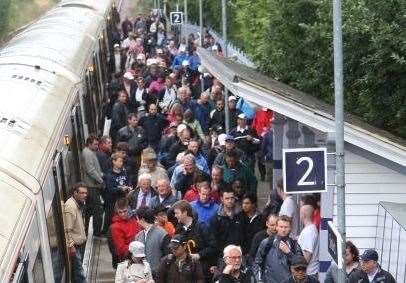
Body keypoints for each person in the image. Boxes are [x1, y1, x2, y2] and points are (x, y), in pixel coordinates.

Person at [172, 200, 217, 280]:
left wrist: (199, 255)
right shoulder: (178, 229)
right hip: (184, 271)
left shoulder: (202, 226)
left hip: (201, 270)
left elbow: (213, 247)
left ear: (185, 212)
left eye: (177, 213)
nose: (175, 216)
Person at [253, 215, 303, 283]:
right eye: (281, 227)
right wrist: (259, 280)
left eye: (286, 227)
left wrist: (289, 253)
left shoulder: (294, 244)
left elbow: (301, 265)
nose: (283, 230)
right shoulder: (267, 242)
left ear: (290, 228)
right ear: (277, 227)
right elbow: (257, 263)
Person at [135, 206, 171, 273]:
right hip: (141, 275)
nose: (137, 221)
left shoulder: (163, 234)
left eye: (137, 219)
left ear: (142, 219)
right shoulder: (138, 236)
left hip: (158, 276)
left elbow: (167, 257)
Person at [211, 188, 244, 257]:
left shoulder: (241, 215)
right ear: (222, 199)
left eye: (232, 198)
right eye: (227, 198)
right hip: (223, 256)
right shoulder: (216, 218)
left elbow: (245, 235)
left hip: (239, 254)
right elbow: (214, 241)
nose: (230, 201)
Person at [64, 183, 88, 283]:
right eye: (82, 193)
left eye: (86, 193)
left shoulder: (78, 203)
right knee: (79, 274)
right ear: (75, 193)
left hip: (79, 244)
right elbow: (67, 229)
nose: (85, 195)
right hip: (75, 247)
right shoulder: (70, 207)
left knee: (78, 272)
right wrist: (71, 245)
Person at [82, 135, 104, 236]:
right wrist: (100, 180)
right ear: (89, 144)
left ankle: (86, 230)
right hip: (91, 186)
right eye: (95, 144)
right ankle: (97, 232)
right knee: (97, 210)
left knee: (90, 209)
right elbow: (91, 170)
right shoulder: (87, 153)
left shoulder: (89, 152)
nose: (97, 146)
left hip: (91, 185)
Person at [104, 153, 131, 233]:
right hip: (112, 201)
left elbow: (128, 182)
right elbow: (111, 189)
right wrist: (121, 189)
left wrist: (128, 187)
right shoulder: (109, 174)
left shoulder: (124, 172)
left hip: (123, 200)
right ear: (114, 162)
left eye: (122, 161)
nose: (121, 163)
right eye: (119, 161)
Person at [110, 198, 142, 263]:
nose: (123, 214)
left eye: (125, 211)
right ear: (117, 212)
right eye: (120, 212)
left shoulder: (134, 220)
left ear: (128, 209)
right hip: (128, 258)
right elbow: (121, 248)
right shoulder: (115, 227)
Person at [297, 205, 319, 276]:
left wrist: (299, 271)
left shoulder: (309, 231)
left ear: (303, 215)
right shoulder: (311, 229)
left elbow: (307, 255)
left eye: (300, 213)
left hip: (308, 273)